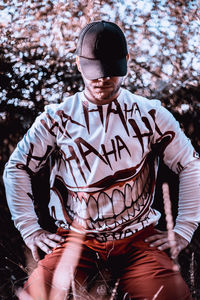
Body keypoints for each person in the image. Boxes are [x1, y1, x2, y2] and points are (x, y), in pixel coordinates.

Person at [3, 20, 200, 299]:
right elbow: (17, 167)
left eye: (110, 71)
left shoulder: (152, 115)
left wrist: (183, 230)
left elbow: (191, 164)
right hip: (75, 241)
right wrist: (31, 230)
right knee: (37, 295)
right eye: (94, 71)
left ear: (127, 62)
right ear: (79, 64)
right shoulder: (56, 119)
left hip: (138, 241)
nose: (102, 79)